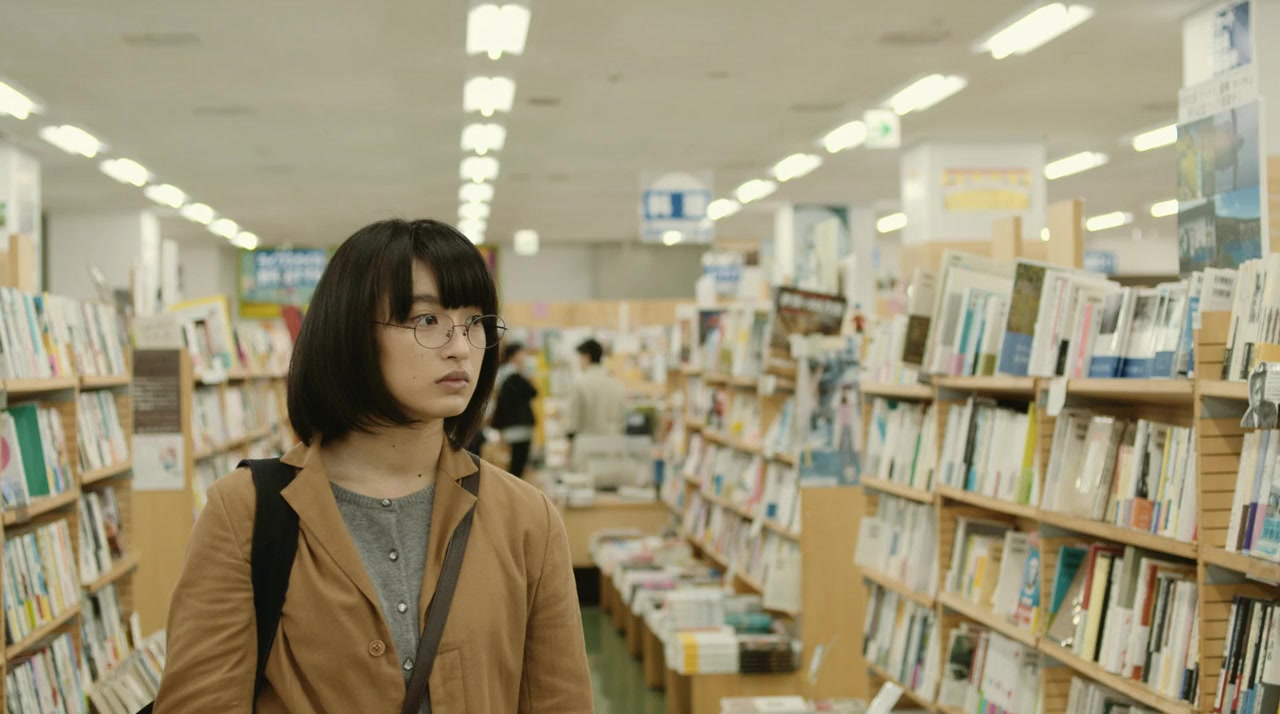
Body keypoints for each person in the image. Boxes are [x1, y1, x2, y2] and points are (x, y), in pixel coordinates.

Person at [155, 219, 593, 713]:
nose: (460, 346)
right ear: (351, 333)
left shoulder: (526, 518)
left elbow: (559, 700)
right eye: (427, 320)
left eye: (475, 322)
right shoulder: (244, 512)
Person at [491, 341, 538, 478]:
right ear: (514, 356)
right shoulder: (514, 376)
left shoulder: (502, 375)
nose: (525, 356)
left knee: (514, 464)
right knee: (517, 466)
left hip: (508, 426)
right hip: (518, 427)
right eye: (522, 353)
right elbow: (533, 392)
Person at [567, 338, 627, 439]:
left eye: (579, 358)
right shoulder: (617, 384)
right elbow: (622, 419)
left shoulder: (579, 384)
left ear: (586, 357)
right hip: (613, 442)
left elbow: (573, 421)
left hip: (586, 442)